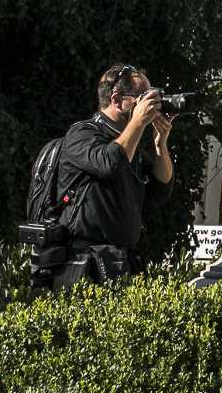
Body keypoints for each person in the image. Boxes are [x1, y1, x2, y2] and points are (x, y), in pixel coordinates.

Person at [52, 62, 173, 288]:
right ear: (117, 99)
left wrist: (161, 146)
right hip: (84, 264)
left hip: (120, 262)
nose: (149, 105)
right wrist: (138, 122)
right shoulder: (82, 133)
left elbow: (160, 191)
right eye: (142, 97)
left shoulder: (130, 143)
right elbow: (109, 164)